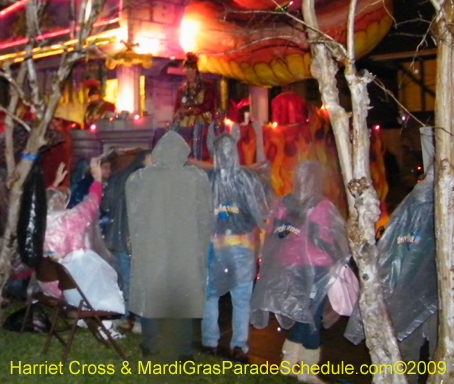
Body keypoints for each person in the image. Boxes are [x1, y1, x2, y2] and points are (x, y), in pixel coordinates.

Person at [250, 160, 349, 383]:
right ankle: (305, 368)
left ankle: (289, 363)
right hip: (316, 267)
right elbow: (326, 237)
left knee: (304, 313)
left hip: (290, 266)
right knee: (310, 316)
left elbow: (274, 233)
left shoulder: (284, 203)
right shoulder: (321, 206)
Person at [126, 131, 213, 358]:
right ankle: (182, 349)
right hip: (185, 250)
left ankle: (152, 346)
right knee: (182, 297)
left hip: (151, 249)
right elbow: (205, 216)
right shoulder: (196, 179)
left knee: (152, 294)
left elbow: (134, 215)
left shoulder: (140, 179)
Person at [345, 167, 438, 380]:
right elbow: (390, 256)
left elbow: (389, 256)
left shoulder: (413, 212)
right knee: (421, 349)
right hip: (421, 295)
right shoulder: (411, 214)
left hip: (418, 294)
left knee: (417, 349)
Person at [200, 131, 273, 363]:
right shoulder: (248, 179)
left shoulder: (207, 179)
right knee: (241, 300)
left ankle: (210, 342)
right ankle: (239, 346)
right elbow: (260, 211)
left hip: (214, 248)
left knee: (210, 296)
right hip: (243, 247)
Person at [42, 157, 125, 338]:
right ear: (61, 202)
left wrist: (54, 184)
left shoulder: (38, 222)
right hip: (70, 287)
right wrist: (97, 179)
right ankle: (107, 328)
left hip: (47, 283)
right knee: (108, 276)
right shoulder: (72, 219)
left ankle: (85, 319)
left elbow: (43, 201)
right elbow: (92, 202)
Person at [100, 150, 150, 330]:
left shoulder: (118, 178)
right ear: (146, 158)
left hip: (118, 238)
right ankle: (139, 322)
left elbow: (105, 205)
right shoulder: (147, 179)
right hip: (140, 239)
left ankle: (123, 315)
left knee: (123, 280)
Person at [172, 52, 217, 159]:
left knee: (200, 147)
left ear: (196, 70)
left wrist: (191, 111)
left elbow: (208, 104)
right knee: (183, 146)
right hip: (185, 122)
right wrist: (179, 113)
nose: (188, 73)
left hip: (201, 121)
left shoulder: (206, 85)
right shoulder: (182, 89)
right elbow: (177, 106)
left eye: (191, 69)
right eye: (186, 70)